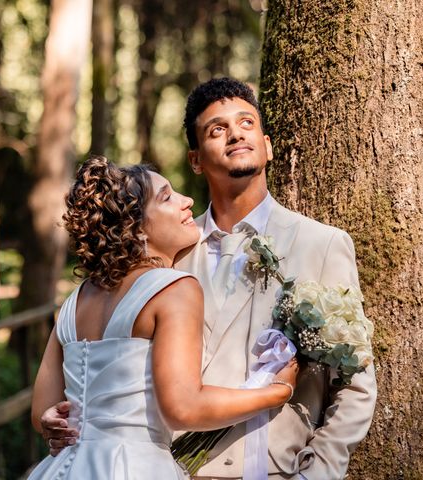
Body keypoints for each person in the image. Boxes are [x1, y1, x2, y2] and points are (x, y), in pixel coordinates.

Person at [41, 78, 377, 480]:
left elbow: (355, 382)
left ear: (267, 145)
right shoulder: (168, 257)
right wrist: (58, 416)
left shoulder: (321, 244)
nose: (235, 133)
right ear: (196, 160)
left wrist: (317, 474)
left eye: (246, 123)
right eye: (217, 129)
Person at [28, 156, 299, 479]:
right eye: (167, 197)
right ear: (136, 228)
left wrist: (52, 423)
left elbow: (40, 411)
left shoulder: (73, 303)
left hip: (65, 468)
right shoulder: (173, 289)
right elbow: (182, 408)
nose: (188, 202)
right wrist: (276, 391)